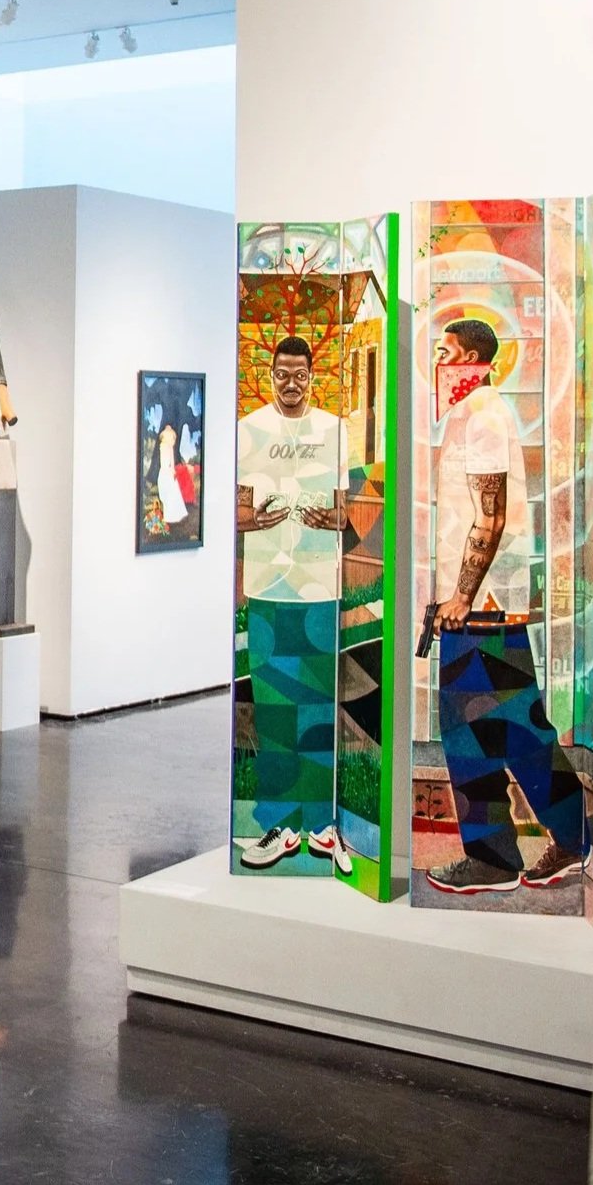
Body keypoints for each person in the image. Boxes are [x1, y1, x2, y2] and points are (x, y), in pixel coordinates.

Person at [424, 319, 586, 895]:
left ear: (468, 356)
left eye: (444, 351)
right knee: (506, 728)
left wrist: (463, 596)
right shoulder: (473, 415)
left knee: (491, 732)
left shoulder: (485, 417)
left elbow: (488, 517)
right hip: (479, 604)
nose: (438, 361)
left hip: (482, 607)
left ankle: (500, 858)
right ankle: (566, 841)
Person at [234, 336, 352, 874]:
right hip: (267, 587)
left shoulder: (333, 431)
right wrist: (251, 521)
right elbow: (237, 510)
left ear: (312, 375)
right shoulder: (250, 430)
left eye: (299, 373)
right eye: (281, 372)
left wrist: (332, 521)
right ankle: (281, 826)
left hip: (318, 590)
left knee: (318, 708)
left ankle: (323, 826)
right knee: (277, 709)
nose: (290, 381)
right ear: (271, 373)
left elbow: (344, 515)